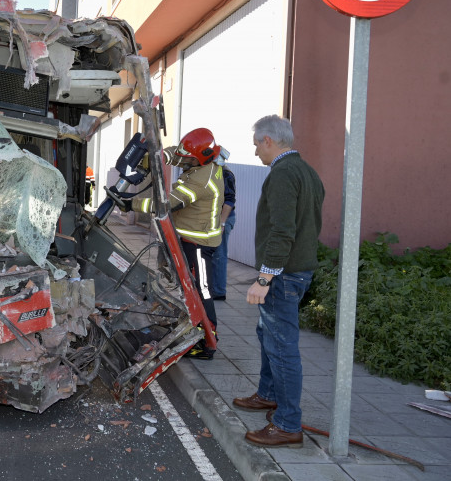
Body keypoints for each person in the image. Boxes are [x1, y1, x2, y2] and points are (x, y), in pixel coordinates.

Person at [234, 115, 324, 448]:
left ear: (269, 140)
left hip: (283, 274)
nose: (256, 151)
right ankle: (269, 395)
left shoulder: (283, 174)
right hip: (298, 270)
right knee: (267, 333)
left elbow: (283, 230)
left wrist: (264, 278)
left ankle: (287, 423)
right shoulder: (307, 171)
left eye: (257, 144)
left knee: (282, 346)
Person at [123, 127, 224, 359]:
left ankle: (208, 341)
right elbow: (177, 154)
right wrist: (157, 157)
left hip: (200, 243)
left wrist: (132, 204)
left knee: (202, 291)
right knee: (190, 289)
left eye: (188, 159)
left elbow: (165, 205)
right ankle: (195, 329)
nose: (183, 161)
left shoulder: (200, 181)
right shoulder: (201, 162)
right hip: (189, 239)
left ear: (200, 158)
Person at [210, 157, 236, 300]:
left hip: (223, 218)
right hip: (216, 218)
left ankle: (219, 292)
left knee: (219, 255)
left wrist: (222, 223)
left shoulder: (226, 174)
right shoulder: (214, 172)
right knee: (213, 255)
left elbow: (229, 200)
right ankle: (213, 288)